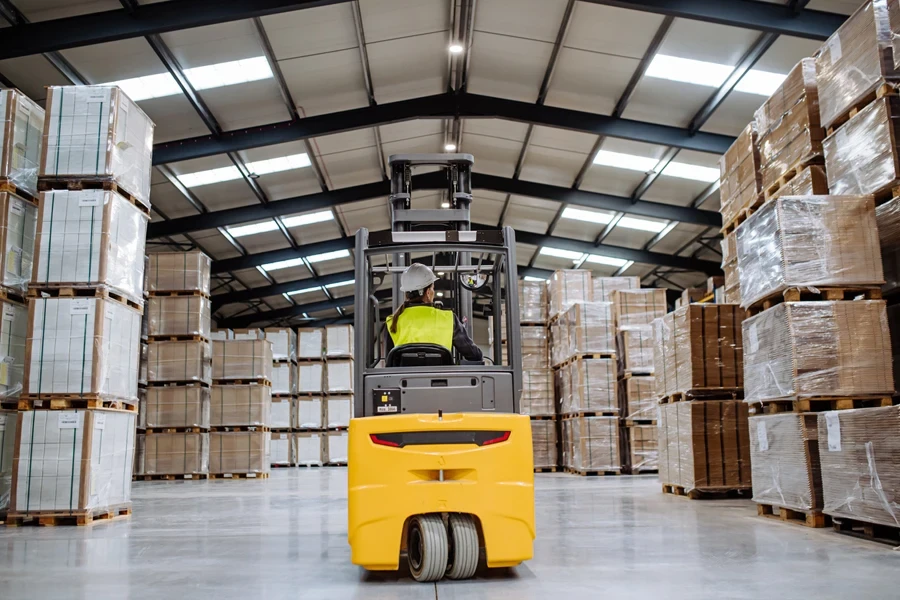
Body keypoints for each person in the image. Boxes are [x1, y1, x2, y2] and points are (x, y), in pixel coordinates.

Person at [386, 263, 483, 361]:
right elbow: (474, 355)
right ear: (428, 293)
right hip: (442, 376)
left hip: (403, 376)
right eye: (433, 288)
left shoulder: (392, 321)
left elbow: (389, 361)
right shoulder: (448, 318)